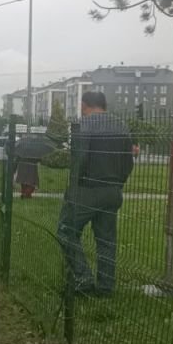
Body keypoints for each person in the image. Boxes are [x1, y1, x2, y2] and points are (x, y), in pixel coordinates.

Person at [57, 91, 134, 297]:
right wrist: (118, 183)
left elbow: (80, 159)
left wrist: (73, 188)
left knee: (66, 231)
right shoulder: (122, 126)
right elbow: (128, 161)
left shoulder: (84, 125)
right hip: (112, 190)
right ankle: (106, 287)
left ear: (84, 105)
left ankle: (83, 279)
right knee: (106, 240)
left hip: (87, 189)